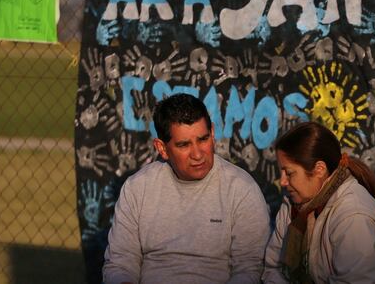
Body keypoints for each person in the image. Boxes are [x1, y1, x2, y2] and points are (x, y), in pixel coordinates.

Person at [103, 93, 270, 284]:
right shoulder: (137, 188)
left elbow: (251, 269)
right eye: (184, 145)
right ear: (162, 149)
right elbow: (120, 265)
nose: (198, 154)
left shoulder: (242, 189)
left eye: (203, 139)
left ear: (213, 133)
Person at [262, 121, 375, 284]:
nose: (282, 182)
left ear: (319, 170)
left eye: (289, 173)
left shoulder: (353, 216)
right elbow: (273, 268)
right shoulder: (292, 207)